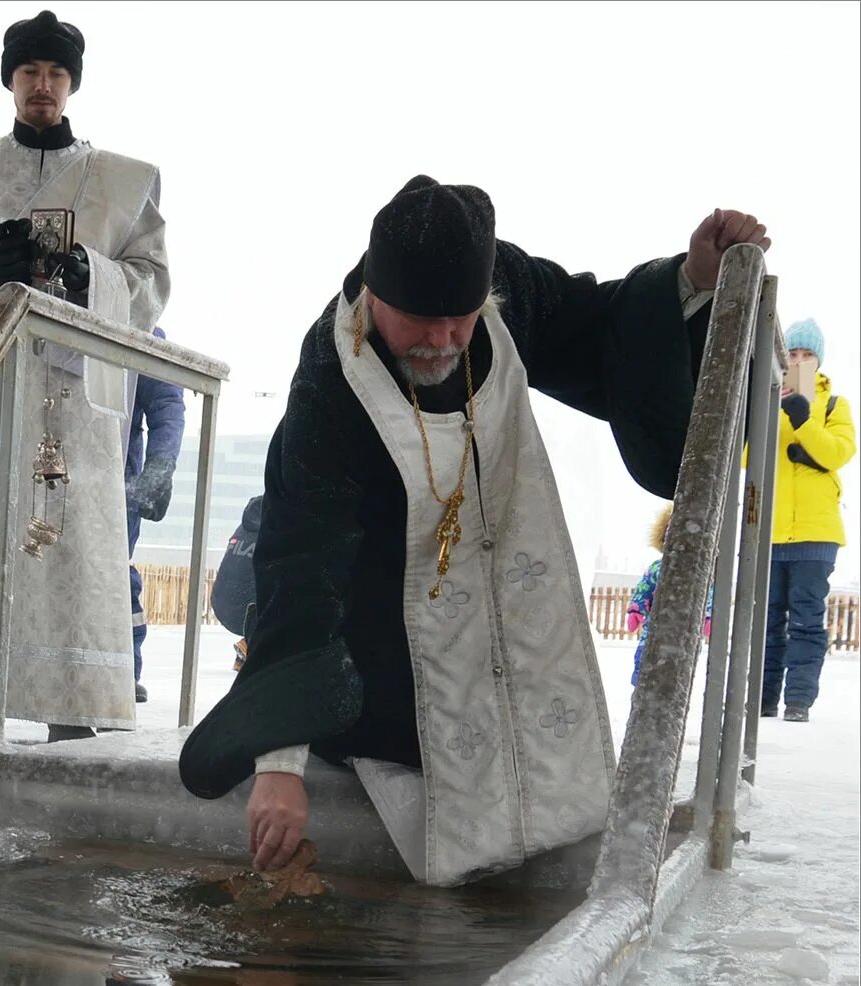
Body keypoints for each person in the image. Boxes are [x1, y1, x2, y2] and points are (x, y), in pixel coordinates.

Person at [179, 175, 770, 886]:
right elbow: (299, 566)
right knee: (424, 775)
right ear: (375, 297)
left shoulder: (503, 288)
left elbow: (603, 323)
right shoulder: (330, 380)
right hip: (388, 626)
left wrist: (693, 277)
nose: (441, 341)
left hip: (507, 601)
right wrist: (280, 763)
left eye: (459, 319)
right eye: (418, 321)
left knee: (549, 783)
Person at [0, 9, 170, 746]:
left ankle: (71, 702)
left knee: (74, 536)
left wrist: (91, 275)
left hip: (79, 392)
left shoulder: (122, 181)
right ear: (10, 81)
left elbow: (152, 279)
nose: (42, 85)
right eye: (29, 72)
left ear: (72, 84)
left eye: (54, 73)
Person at [761, 319, 855, 722]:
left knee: (805, 618)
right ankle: (762, 699)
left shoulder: (834, 405)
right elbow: (747, 459)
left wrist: (803, 419)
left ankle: (798, 700)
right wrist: (767, 411)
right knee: (766, 620)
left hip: (817, 533)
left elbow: (837, 453)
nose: (798, 361)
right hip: (769, 529)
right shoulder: (766, 398)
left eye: (807, 354)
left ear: (819, 360)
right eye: (792, 354)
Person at [124, 326, 184, 702]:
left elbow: (166, 404)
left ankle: (122, 669)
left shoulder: (140, 327)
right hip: (46, 469)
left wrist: (161, 464)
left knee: (114, 575)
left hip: (114, 481)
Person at [625, 503, 713, 687]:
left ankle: (669, 694)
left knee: (676, 675)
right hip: (653, 632)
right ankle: (642, 691)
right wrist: (637, 609)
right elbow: (644, 587)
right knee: (644, 665)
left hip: (685, 635)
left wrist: (707, 616)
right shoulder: (658, 568)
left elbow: (708, 593)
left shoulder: (698, 571)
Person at [210, 495, 262, 672]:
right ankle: (251, 644)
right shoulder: (279, 523)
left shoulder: (247, 524)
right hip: (248, 611)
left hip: (220, 604)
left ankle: (244, 655)